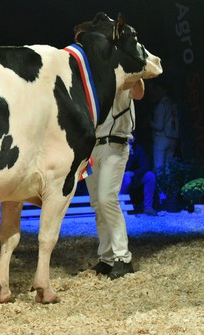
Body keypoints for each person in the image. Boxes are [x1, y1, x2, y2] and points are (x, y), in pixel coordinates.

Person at [85, 79, 145, 280]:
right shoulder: (93, 81)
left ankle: (123, 257)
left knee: (107, 199)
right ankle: (107, 257)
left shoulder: (123, 78)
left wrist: (135, 73)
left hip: (115, 143)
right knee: (97, 203)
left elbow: (138, 93)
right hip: (92, 146)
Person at [120, 138, 158, 216]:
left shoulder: (137, 148)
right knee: (127, 180)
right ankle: (122, 206)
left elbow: (145, 166)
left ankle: (148, 207)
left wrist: (134, 173)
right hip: (120, 177)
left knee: (150, 176)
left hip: (134, 176)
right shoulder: (117, 148)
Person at [149, 80, 179, 170]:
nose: (155, 93)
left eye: (158, 90)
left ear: (164, 91)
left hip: (162, 139)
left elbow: (159, 126)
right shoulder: (172, 104)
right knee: (168, 169)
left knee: (159, 168)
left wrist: (149, 122)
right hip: (173, 138)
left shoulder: (162, 105)